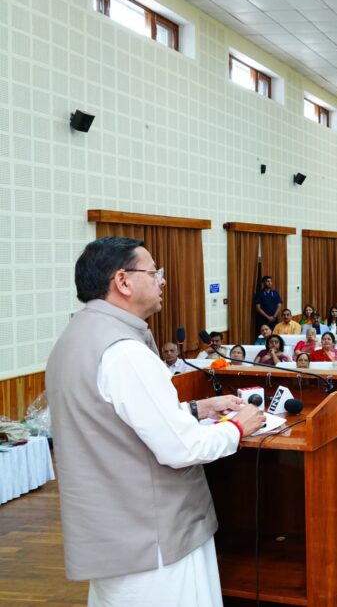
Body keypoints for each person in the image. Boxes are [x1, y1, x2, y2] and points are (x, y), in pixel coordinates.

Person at [46, 236, 264, 605]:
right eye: (154, 272)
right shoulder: (125, 351)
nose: (162, 280)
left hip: (111, 529)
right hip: (153, 538)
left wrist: (195, 410)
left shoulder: (76, 337)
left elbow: (113, 422)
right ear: (123, 281)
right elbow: (182, 449)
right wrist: (239, 425)